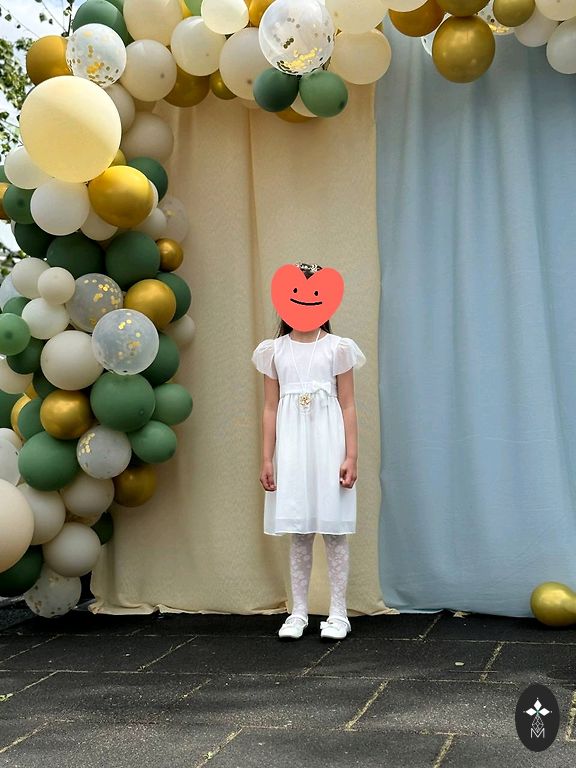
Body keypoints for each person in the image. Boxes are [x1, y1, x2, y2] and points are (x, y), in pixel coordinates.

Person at [251, 262, 366, 641]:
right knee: (299, 533)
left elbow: (348, 404)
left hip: (329, 446)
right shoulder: (273, 351)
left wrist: (351, 455)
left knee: (333, 531)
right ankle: (298, 611)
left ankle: (338, 613)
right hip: (293, 451)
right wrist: (266, 458)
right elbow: (270, 408)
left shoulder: (338, 348)